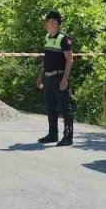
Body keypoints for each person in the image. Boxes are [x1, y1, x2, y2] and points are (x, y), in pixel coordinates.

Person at [36, 9, 74, 146]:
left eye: (48, 22)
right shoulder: (47, 37)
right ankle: (53, 134)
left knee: (65, 108)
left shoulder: (63, 39)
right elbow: (46, 60)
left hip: (59, 76)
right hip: (48, 77)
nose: (46, 24)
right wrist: (40, 76)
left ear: (55, 23)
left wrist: (65, 79)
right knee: (50, 107)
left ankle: (68, 136)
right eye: (47, 22)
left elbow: (70, 60)